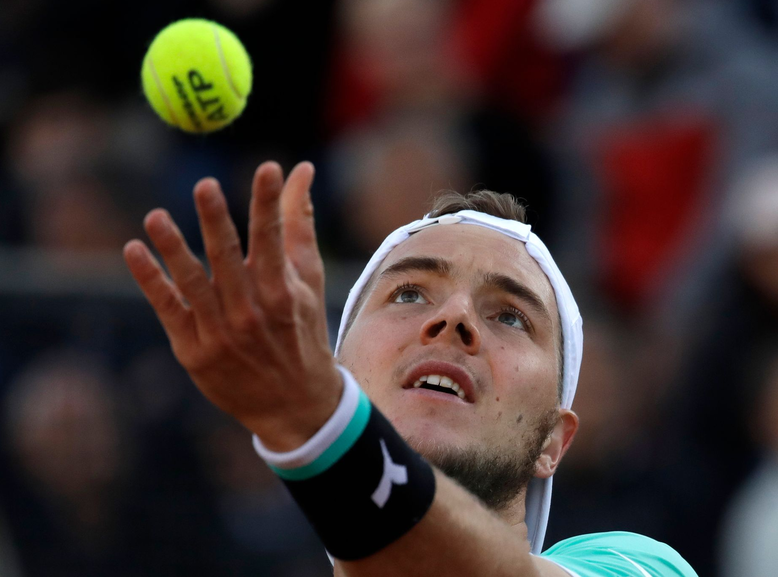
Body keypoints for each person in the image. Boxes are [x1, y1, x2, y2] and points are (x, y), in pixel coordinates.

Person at [123, 161, 698, 576]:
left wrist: (315, 420)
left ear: (553, 439)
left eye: (510, 316)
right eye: (408, 294)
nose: (455, 318)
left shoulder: (638, 566)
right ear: (339, 371)